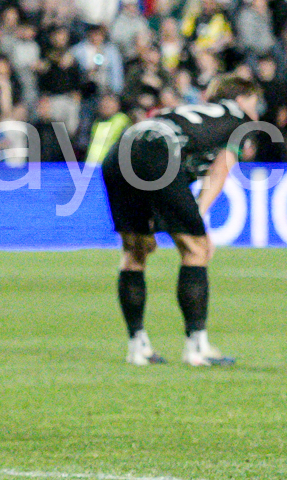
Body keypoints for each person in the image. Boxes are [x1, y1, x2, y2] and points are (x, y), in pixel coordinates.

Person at [100, 74, 261, 367]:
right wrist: (196, 216)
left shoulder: (191, 111)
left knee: (136, 251)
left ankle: (138, 346)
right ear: (240, 99)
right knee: (198, 249)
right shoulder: (239, 122)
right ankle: (197, 347)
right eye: (254, 101)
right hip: (158, 152)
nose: (256, 110)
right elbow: (220, 171)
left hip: (120, 149)